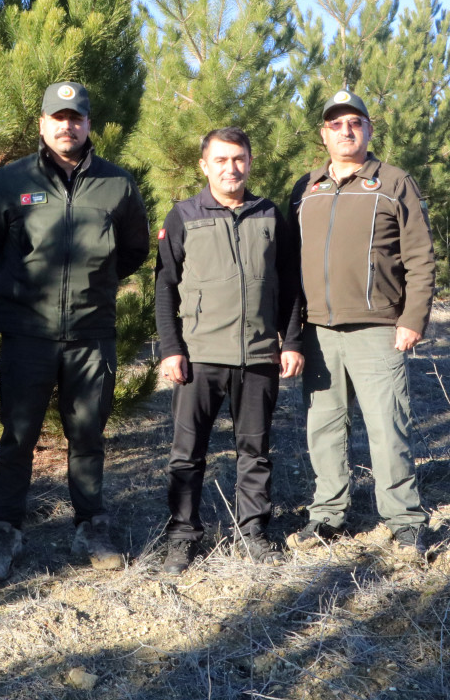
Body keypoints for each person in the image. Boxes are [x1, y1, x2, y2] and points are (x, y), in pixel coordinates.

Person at [0, 81, 150, 582]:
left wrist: (96, 287)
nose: (67, 126)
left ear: (89, 124)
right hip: (27, 332)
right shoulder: (10, 181)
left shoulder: (117, 184)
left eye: (76, 117)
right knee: (18, 435)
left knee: (87, 434)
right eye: (58, 117)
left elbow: (133, 251)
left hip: (92, 333)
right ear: (42, 124)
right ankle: (5, 528)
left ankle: (92, 524)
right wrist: (23, 287)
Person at [286, 90, 436, 562]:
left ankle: (405, 521)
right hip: (318, 331)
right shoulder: (305, 188)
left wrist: (412, 319)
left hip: (377, 328)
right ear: (323, 134)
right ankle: (328, 516)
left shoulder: (392, 182)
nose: (345, 131)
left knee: (387, 426)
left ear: (369, 130)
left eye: (354, 122)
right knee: (324, 427)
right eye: (335, 124)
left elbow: (420, 256)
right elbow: (290, 263)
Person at [154, 127, 303, 574]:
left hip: (259, 355)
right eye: (219, 160)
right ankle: (182, 535)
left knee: (254, 450)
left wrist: (291, 340)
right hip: (199, 355)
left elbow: (290, 285)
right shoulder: (184, 215)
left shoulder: (270, 215)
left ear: (250, 162)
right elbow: (165, 287)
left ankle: (254, 531)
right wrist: (170, 348)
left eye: (237, 159)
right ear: (204, 165)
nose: (230, 168)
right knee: (187, 452)